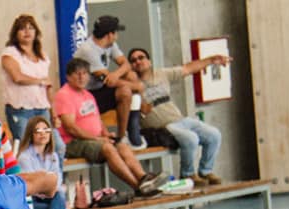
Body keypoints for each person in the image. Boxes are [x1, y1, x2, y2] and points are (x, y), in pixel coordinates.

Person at [54, 58, 161, 197]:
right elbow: (71, 128)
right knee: (108, 148)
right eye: (77, 74)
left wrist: (105, 134)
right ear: (68, 76)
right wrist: (98, 139)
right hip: (72, 142)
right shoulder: (64, 95)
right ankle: (138, 187)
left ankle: (143, 178)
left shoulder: (87, 94)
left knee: (122, 146)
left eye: (85, 73)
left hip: (94, 139)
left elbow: (96, 119)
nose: (81, 77)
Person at [129, 47, 228, 186]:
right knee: (191, 138)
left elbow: (188, 68)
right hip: (162, 127)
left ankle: (205, 171)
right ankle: (187, 174)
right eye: (133, 60)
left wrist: (211, 60)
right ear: (131, 66)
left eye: (141, 58)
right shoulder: (130, 86)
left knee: (214, 134)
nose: (138, 62)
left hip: (181, 120)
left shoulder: (162, 74)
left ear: (149, 61)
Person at [0, 13, 66, 166]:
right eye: (22, 28)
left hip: (42, 110)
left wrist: (54, 113)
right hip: (21, 110)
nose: (27, 31)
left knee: (58, 147)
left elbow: (48, 86)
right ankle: (31, 188)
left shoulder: (42, 56)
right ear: (16, 33)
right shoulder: (9, 53)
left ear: (36, 32)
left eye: (31, 28)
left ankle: (55, 183)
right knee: (26, 151)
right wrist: (40, 81)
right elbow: (17, 77)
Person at [73, 15, 145, 148]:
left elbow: (125, 64)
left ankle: (127, 133)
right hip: (88, 95)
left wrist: (116, 74)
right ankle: (123, 137)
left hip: (102, 87)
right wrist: (138, 87)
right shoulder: (88, 50)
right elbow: (109, 82)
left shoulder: (110, 44)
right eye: (116, 32)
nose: (117, 36)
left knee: (131, 75)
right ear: (109, 34)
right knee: (126, 90)